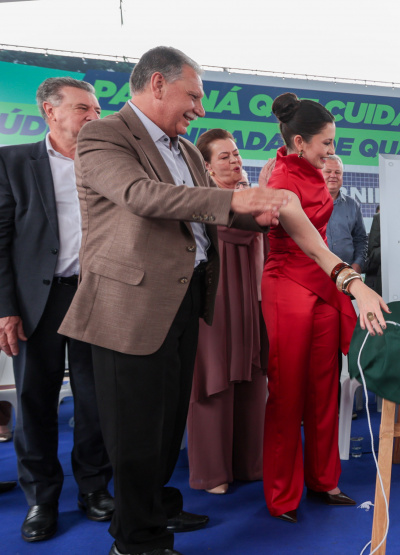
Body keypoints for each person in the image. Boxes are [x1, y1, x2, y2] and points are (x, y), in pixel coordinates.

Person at [58, 47, 291, 555]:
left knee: (165, 426)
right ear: (158, 84)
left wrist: (261, 216)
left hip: (186, 301)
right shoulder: (103, 135)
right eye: (194, 96)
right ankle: (136, 540)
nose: (199, 110)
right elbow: (141, 195)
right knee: (135, 431)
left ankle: (155, 507)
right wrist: (235, 199)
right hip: (130, 306)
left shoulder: (184, 149)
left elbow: (213, 213)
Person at [261, 92, 389, 524]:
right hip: (289, 284)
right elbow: (313, 245)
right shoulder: (281, 179)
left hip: (322, 285)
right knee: (287, 393)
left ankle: (324, 480)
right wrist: (355, 285)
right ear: (299, 141)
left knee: (325, 389)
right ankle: (282, 496)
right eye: (327, 143)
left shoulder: (312, 172)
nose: (332, 151)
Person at [0, 77, 114, 543]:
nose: (95, 116)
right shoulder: (12, 161)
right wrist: (6, 308)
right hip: (36, 303)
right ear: (50, 111)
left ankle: (94, 488)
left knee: (95, 400)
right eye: (84, 108)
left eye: (98, 109)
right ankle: (41, 499)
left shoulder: (108, 162)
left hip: (96, 296)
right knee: (34, 401)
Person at [185, 129, 269, 496]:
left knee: (252, 377)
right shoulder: (199, 200)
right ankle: (211, 472)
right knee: (214, 380)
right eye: (224, 156)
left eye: (236, 153)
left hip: (255, 300)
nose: (235, 160)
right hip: (214, 301)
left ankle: (249, 463)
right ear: (206, 167)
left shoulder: (253, 199)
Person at [323, 154, 367, 274]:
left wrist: (357, 265)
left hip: (346, 275)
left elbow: (361, 239)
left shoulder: (353, 205)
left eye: (337, 172)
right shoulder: (307, 203)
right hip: (315, 273)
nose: (333, 175)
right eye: (328, 171)